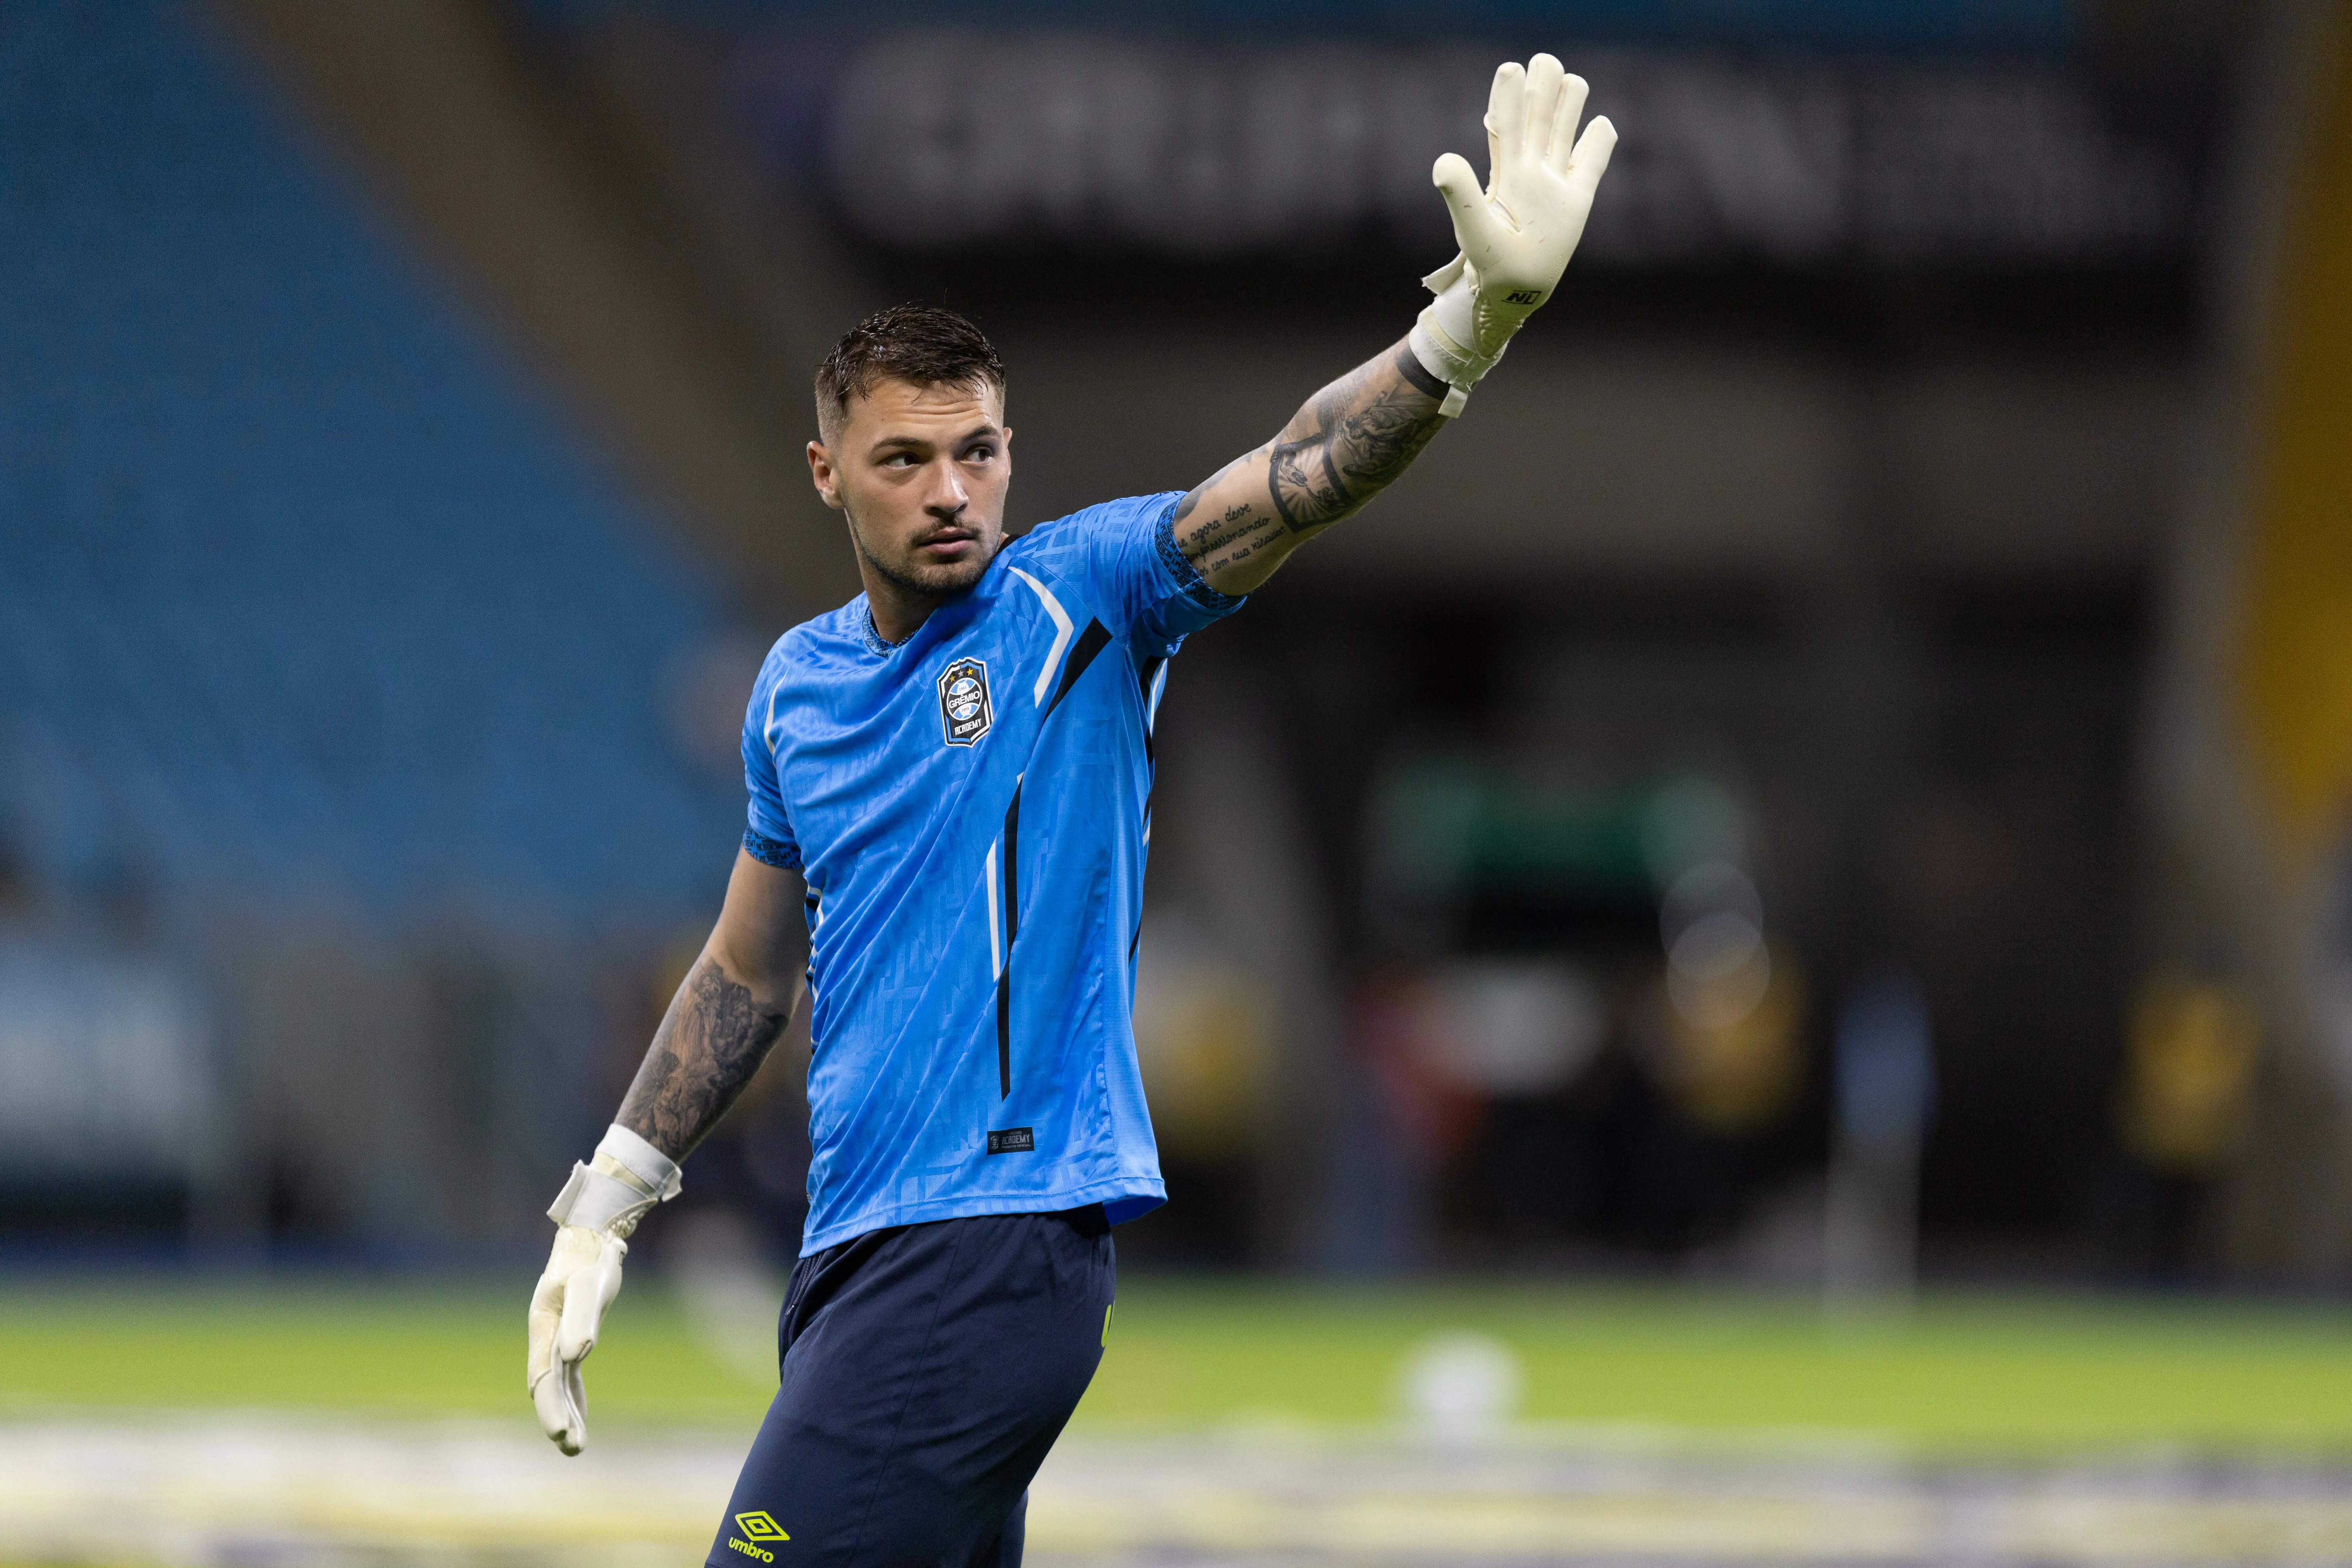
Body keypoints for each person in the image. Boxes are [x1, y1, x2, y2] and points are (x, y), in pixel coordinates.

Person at [525, 54, 1615, 1568]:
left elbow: (1296, 475)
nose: (952, 490)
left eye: (979, 451)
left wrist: (1463, 333)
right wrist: (611, 1200)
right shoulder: (795, 688)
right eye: (905, 460)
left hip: (993, 1250)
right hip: (856, 1251)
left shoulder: (1082, 597)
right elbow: (744, 968)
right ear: (827, 473)